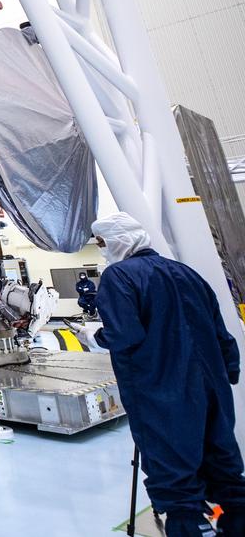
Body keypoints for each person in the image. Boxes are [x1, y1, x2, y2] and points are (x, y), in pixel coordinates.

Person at [93, 212, 245, 537]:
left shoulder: (118, 277)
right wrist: (227, 372)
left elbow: (125, 334)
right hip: (212, 388)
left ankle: (194, 527)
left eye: (103, 243)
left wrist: (93, 337)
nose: (102, 250)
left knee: (174, 472)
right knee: (223, 464)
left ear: (117, 240)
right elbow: (222, 333)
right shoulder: (186, 273)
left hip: (161, 391)